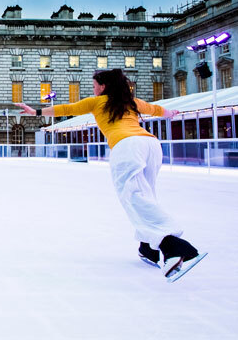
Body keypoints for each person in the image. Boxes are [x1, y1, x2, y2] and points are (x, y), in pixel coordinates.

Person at [16, 68, 206, 282]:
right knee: (146, 196)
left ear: (103, 86)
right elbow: (156, 110)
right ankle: (147, 248)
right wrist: (170, 113)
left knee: (134, 197)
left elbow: (67, 108)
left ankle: (172, 245)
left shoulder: (97, 102)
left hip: (127, 147)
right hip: (151, 145)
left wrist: (35, 112)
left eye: (95, 84)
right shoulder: (131, 101)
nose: (93, 88)